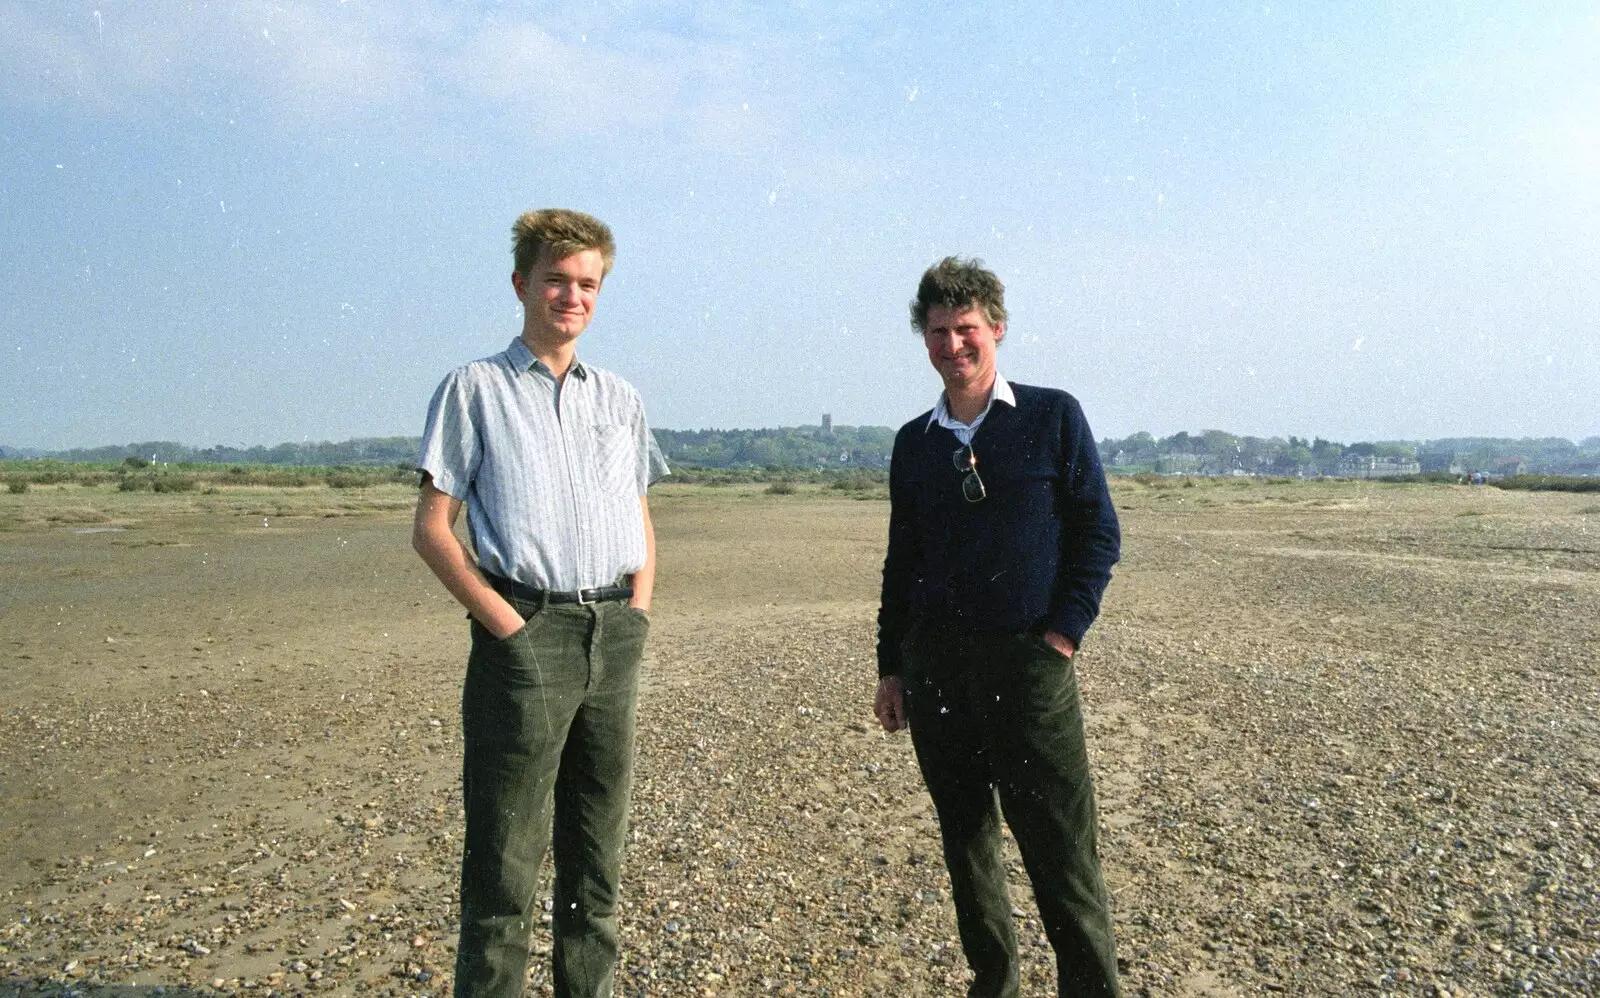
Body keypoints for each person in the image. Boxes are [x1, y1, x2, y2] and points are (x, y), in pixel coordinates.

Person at [412, 208, 667, 998]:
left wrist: (637, 610)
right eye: (556, 279)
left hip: (612, 633)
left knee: (597, 854)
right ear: (521, 283)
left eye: (587, 283)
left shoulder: (619, 397)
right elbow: (431, 529)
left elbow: (640, 515)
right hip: (526, 634)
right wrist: (508, 625)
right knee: (504, 861)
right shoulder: (473, 389)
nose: (571, 295)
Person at [873, 257, 1123, 998]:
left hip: (1028, 665)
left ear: (998, 330)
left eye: (968, 329)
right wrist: (891, 666)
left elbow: (1097, 536)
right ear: (926, 340)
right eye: (940, 332)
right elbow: (901, 563)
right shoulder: (915, 442)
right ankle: (996, 983)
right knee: (968, 841)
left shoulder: (1052, 416)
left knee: (1060, 848)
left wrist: (1062, 638)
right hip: (937, 670)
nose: (954, 345)